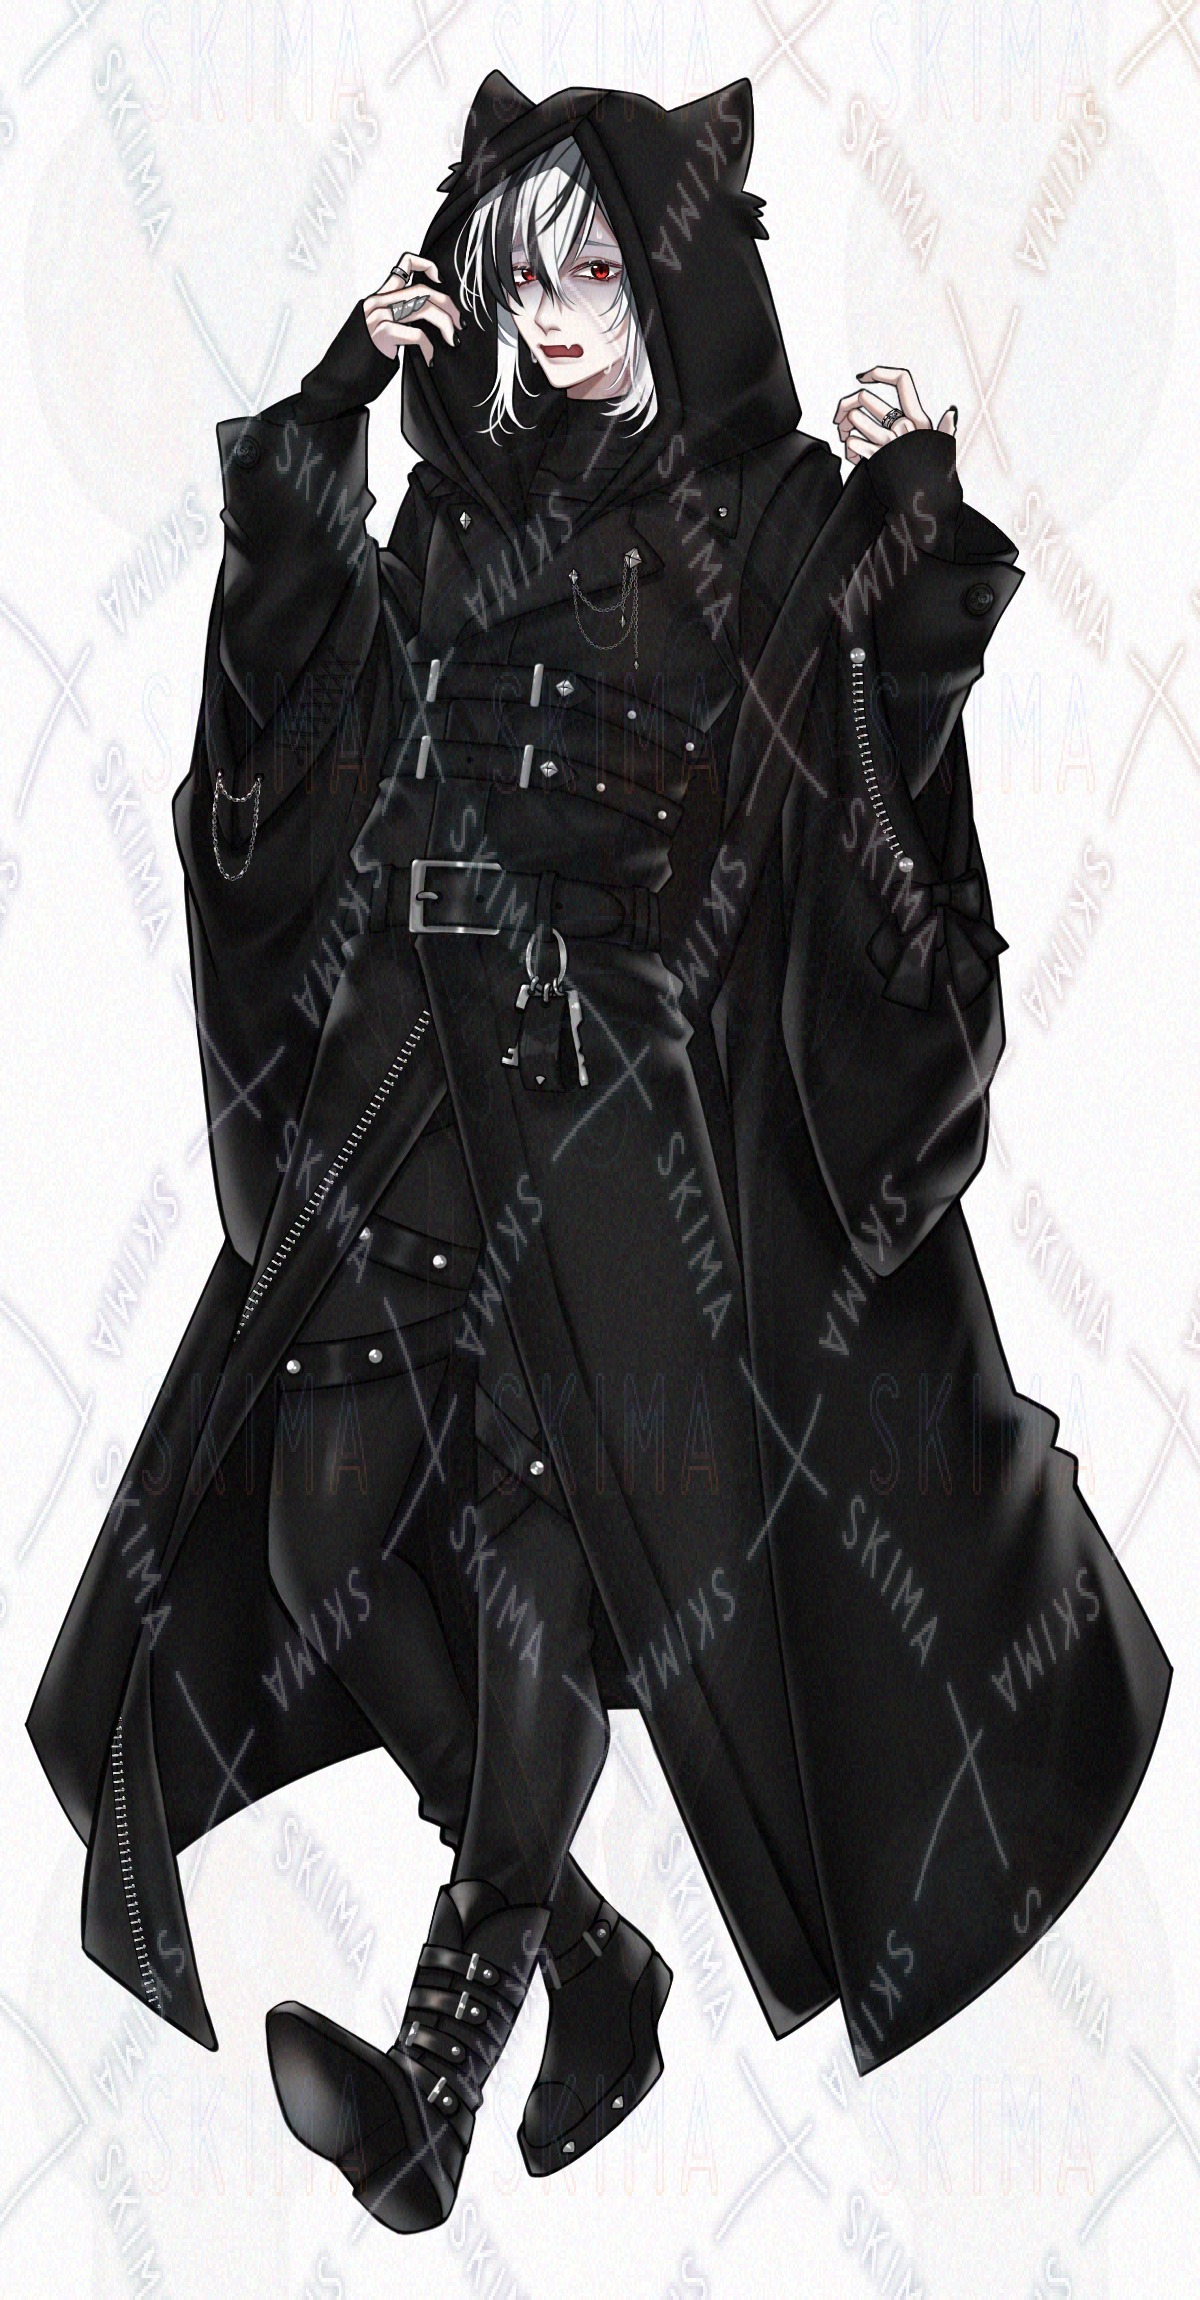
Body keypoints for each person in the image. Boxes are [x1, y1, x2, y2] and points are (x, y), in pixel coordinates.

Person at [28, 68, 1172, 2242]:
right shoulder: (458, 501)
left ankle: (447, 2065)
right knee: (322, 1513)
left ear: (675, 275)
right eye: (520, 274)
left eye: (595, 274)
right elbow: (289, 698)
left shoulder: (767, 513)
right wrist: (329, 400)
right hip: (411, 1078)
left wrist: (910, 514)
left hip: (634, 1118)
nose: (554, 318)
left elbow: (888, 749)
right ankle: (591, 1962)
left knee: (545, 1528)